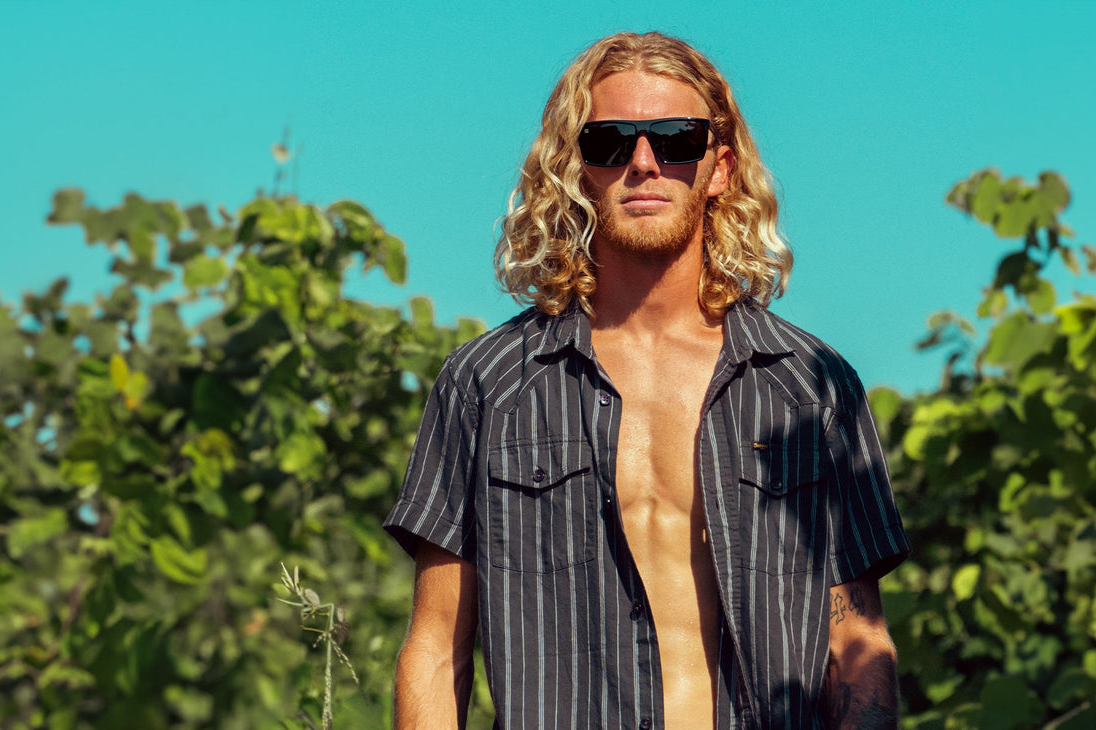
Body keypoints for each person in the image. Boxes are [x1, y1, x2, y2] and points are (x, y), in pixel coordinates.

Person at [384, 31, 910, 730]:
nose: (643, 163)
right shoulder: (487, 384)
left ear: (718, 168)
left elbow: (856, 640)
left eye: (675, 140)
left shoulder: (810, 387)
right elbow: (435, 647)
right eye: (610, 142)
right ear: (575, 168)